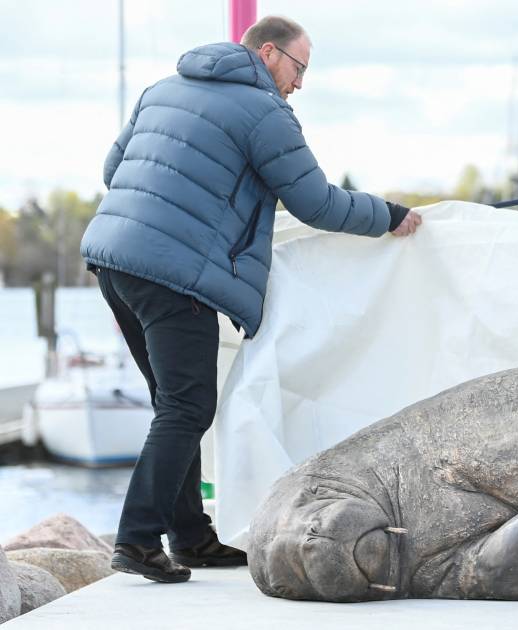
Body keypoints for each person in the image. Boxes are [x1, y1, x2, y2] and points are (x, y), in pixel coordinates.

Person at [79, 15, 422, 584]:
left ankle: (190, 537)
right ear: (269, 53)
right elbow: (315, 202)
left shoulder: (162, 89)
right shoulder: (264, 113)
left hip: (113, 260)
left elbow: (114, 169)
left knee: (175, 405)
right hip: (174, 275)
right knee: (187, 408)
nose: (300, 83)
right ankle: (137, 540)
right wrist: (387, 216)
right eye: (300, 67)